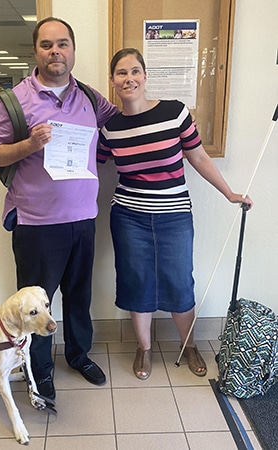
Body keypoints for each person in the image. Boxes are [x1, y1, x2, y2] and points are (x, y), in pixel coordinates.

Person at [0, 17, 118, 400]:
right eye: (47, 45)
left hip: (83, 218)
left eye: (62, 44)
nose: (55, 51)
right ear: (36, 51)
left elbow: (121, 121)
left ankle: (78, 355)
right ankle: (39, 371)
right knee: (35, 307)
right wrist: (28, 145)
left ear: (72, 49)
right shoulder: (15, 100)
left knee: (78, 294)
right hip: (37, 225)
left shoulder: (90, 98)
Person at [98, 48, 253, 380]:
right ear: (112, 82)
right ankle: (144, 348)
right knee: (136, 282)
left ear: (145, 76)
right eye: (121, 73)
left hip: (174, 215)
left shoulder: (175, 113)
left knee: (179, 281)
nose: (129, 78)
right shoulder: (109, 128)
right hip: (129, 217)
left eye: (135, 71)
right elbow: (89, 168)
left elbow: (198, 158)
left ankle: (189, 345)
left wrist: (229, 193)